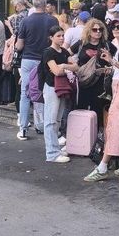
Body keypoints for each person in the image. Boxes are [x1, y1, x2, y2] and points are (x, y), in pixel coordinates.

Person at [84, 17, 119, 182]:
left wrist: (112, 61)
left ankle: (103, 167)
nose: (115, 29)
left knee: (115, 128)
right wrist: (110, 68)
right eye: (113, 26)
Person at [15, 0, 60, 141]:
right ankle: (45, 127)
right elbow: (58, 41)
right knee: (47, 94)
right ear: (45, 3)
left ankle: (23, 128)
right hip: (47, 60)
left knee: (26, 94)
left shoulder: (25, 21)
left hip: (28, 59)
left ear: (33, 3)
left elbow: (20, 45)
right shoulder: (53, 20)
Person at [40, 25, 80, 162]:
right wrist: (66, 69)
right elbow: (56, 71)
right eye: (58, 36)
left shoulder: (63, 51)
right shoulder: (48, 52)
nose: (62, 38)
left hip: (62, 87)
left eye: (62, 35)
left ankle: (55, 150)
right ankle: (51, 153)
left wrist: (63, 66)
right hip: (51, 87)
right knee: (51, 121)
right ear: (51, 38)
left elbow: (76, 67)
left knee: (56, 120)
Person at [69, 18, 115, 125]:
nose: (98, 32)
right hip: (84, 81)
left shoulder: (107, 45)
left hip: (101, 82)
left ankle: (98, 133)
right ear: (89, 31)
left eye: (100, 30)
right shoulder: (81, 44)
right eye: (95, 30)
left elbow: (116, 60)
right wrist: (73, 64)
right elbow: (66, 53)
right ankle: (81, 132)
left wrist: (110, 65)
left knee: (99, 109)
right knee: (81, 107)